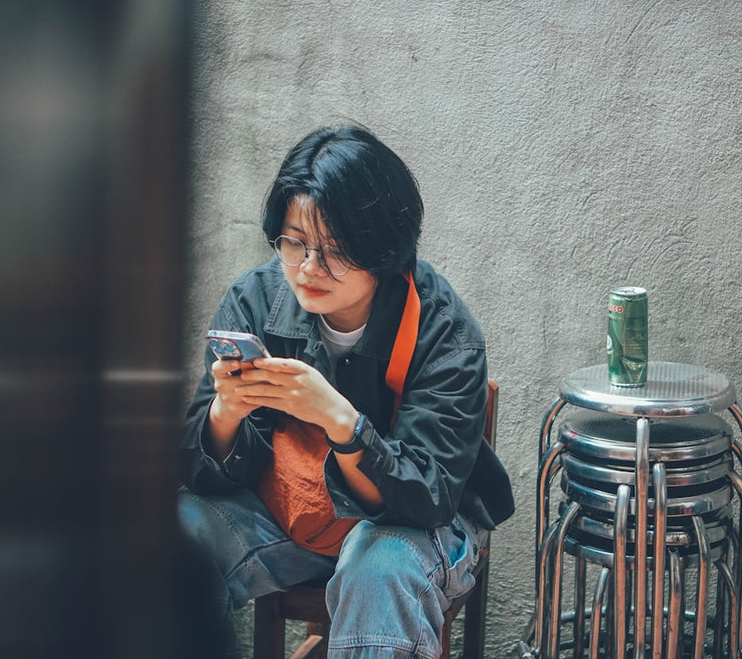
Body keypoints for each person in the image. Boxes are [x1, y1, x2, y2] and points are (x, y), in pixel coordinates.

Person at [178, 124, 515, 658]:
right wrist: (226, 413)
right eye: (295, 243)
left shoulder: (444, 331)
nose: (310, 268)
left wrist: (342, 422)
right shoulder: (255, 300)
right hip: (285, 515)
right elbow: (199, 477)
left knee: (377, 567)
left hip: (414, 528)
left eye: (335, 249)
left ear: (384, 248)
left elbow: (426, 498)